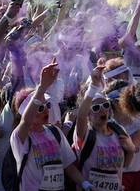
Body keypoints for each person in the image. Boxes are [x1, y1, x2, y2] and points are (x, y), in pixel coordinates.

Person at [10, 59, 92, 190]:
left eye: (47, 105)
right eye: (40, 108)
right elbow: (26, 122)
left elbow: (68, 166)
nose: (47, 110)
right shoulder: (19, 136)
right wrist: (42, 87)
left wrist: (84, 183)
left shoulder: (55, 132)